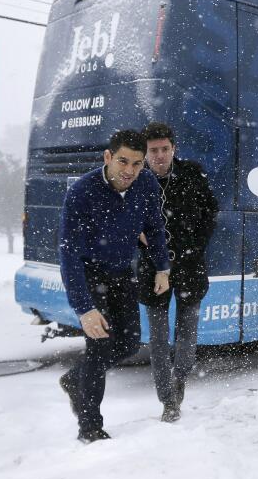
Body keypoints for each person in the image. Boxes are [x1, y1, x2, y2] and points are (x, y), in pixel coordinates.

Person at [58, 130, 170, 444]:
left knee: (131, 343)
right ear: (108, 157)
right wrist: (84, 308)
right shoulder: (82, 192)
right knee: (99, 347)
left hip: (122, 274)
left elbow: (154, 226)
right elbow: (68, 254)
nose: (130, 170)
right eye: (123, 161)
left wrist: (162, 267)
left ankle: (73, 379)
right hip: (90, 274)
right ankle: (90, 427)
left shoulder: (146, 183)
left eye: (137, 163)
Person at [137, 122, 219, 423]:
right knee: (159, 341)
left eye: (164, 149)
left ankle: (180, 378)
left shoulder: (192, 174)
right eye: (153, 150)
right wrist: (139, 236)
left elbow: (211, 211)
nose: (159, 156)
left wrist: (195, 247)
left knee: (187, 341)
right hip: (152, 271)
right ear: (145, 153)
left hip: (190, 268)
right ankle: (168, 401)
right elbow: (124, 219)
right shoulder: (137, 181)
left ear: (174, 149)